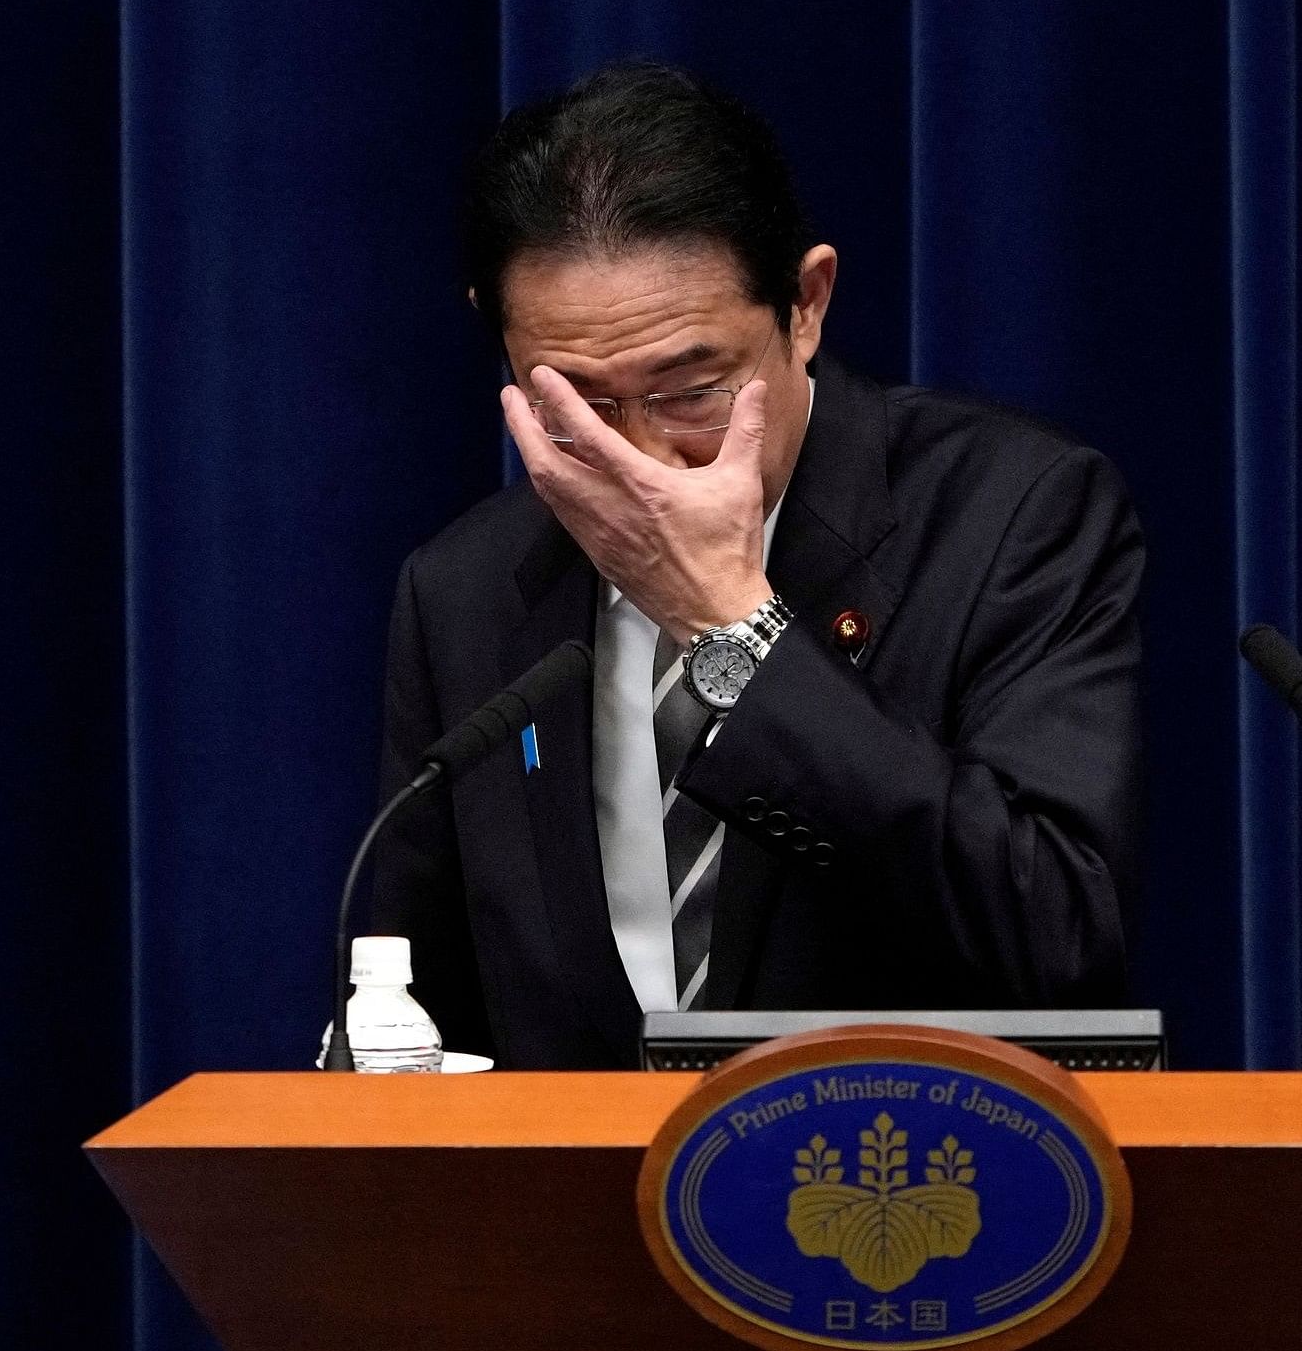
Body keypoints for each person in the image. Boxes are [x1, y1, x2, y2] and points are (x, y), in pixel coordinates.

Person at [367, 61, 1144, 1068]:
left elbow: (1057, 935)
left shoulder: (1009, 514)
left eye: (691, 389)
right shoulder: (464, 589)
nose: (642, 460)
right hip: (576, 1214)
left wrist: (731, 624)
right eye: (577, 407)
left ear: (805, 303)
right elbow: (412, 1008)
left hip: (911, 1188)